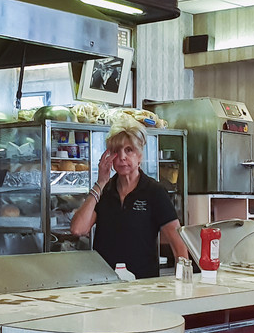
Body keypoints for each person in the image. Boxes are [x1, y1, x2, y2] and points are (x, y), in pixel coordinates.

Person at [69, 115, 189, 279]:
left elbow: (178, 245)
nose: (122, 157)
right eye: (116, 152)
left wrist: (182, 286)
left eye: (129, 150)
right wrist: (100, 183)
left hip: (143, 286)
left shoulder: (154, 191)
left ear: (139, 156)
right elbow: (78, 229)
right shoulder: (104, 191)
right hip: (105, 283)